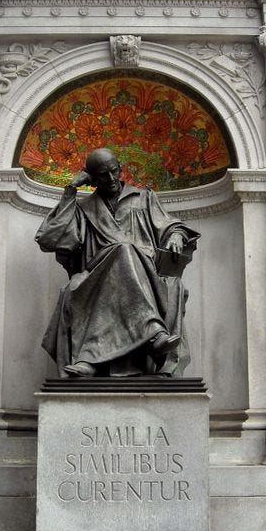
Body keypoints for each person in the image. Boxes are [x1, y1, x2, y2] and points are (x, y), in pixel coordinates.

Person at [36, 148, 199, 378]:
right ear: (91, 179)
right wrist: (70, 191)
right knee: (122, 249)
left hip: (144, 271)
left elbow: (171, 225)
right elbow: (49, 238)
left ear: (121, 169)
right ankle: (153, 334)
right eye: (102, 175)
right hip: (98, 273)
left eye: (114, 171)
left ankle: (89, 359)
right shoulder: (84, 208)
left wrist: (175, 235)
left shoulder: (143, 198)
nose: (111, 179)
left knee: (126, 250)